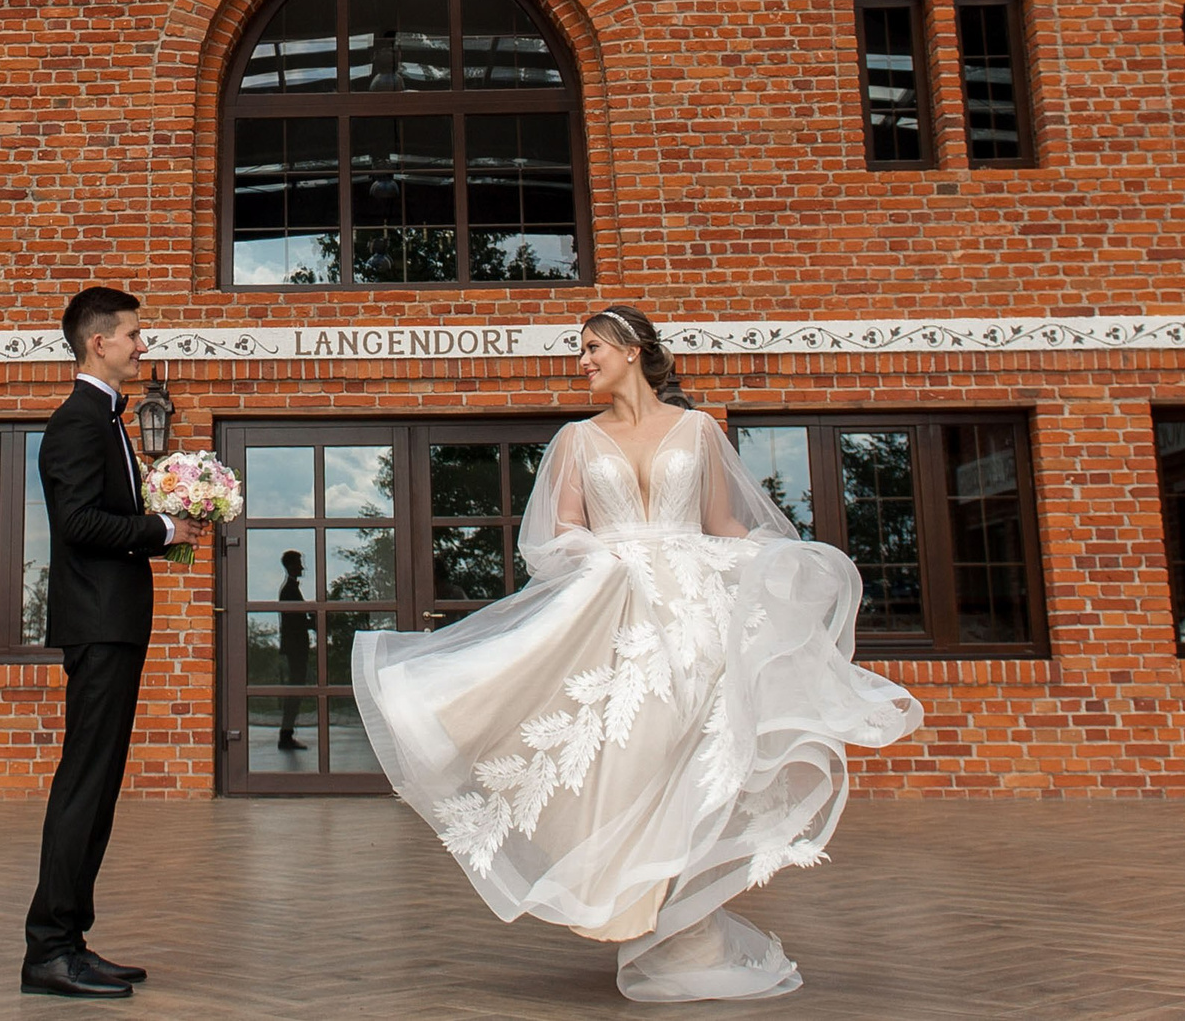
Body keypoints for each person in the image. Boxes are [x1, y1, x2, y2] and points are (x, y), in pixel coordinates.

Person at [354, 307, 923, 1003]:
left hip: (699, 615)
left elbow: (724, 524)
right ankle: (643, 909)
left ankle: (690, 928)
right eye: (582, 350)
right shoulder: (575, 439)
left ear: (630, 349)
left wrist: (786, 562)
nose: (582, 361)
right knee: (636, 756)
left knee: (702, 760)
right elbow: (557, 533)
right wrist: (602, 558)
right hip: (623, 612)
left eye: (592, 347)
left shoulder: (700, 429)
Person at [21, 287, 210, 1001]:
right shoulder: (76, 422)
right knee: (84, 784)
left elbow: (105, 519)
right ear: (99, 342)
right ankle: (49, 949)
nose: (143, 344)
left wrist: (167, 527)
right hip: (98, 625)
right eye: (134, 333)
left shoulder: (106, 423)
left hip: (115, 622)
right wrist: (161, 531)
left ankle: (69, 939)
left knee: (96, 788)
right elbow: (76, 523)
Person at [276, 550, 314, 751]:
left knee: (296, 691)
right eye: (299, 563)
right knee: (295, 691)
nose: (302, 567)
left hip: (296, 648)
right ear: (291, 566)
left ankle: (287, 734)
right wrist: (313, 619)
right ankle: (286, 735)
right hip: (295, 649)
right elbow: (294, 623)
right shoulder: (289, 590)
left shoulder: (290, 589)